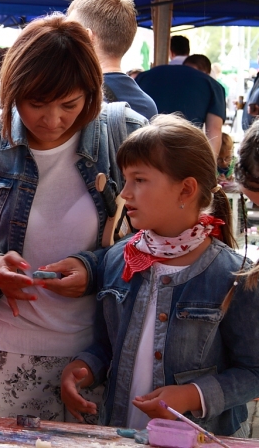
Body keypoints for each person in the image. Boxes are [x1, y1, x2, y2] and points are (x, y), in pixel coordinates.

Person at [0, 14, 148, 421]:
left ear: (91, 93)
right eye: (36, 104)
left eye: (69, 105)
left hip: (101, 354)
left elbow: (157, 237)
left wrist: (94, 268)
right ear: (12, 92)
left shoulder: (124, 132)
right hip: (2, 352)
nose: (52, 120)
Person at [60, 115, 259, 437]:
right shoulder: (117, 260)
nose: (124, 193)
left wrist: (193, 394)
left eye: (139, 180)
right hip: (122, 432)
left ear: (186, 190)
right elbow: (106, 345)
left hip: (198, 439)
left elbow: (253, 371)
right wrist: (83, 369)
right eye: (124, 179)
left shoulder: (234, 276)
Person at [66, 0, 157, 119]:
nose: (64, 39)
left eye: (70, 33)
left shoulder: (74, 98)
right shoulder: (148, 104)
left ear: (87, 37)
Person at [135, 60, 225, 155]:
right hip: (186, 154)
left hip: (146, 150)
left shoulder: (143, 77)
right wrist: (210, 167)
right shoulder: (213, 85)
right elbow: (214, 130)